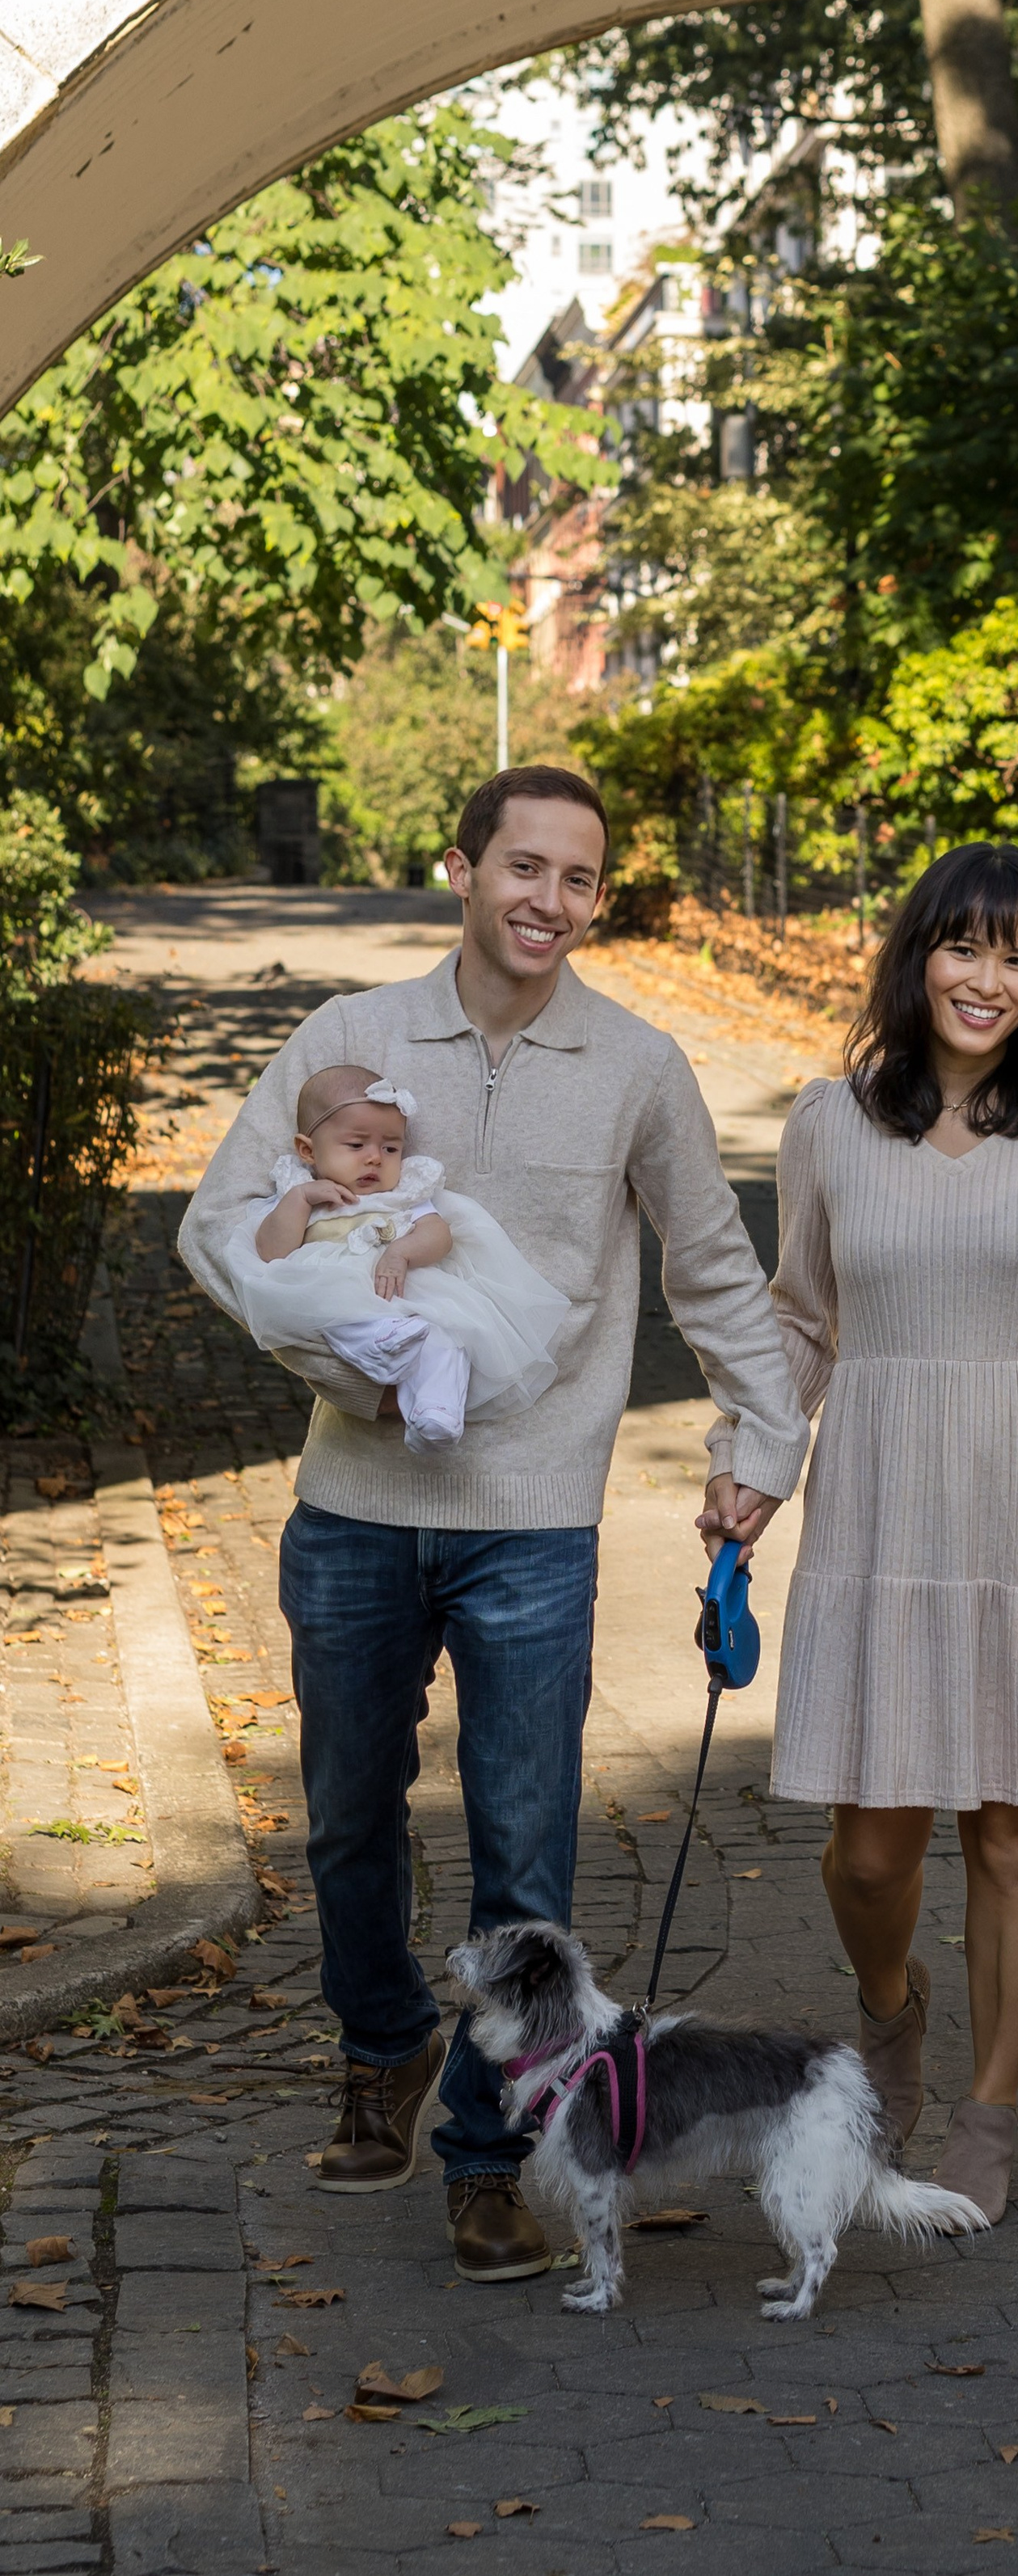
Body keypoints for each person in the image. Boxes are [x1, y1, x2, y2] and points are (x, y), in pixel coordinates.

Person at [181, 765, 808, 2281]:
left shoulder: (639, 1062)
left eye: (579, 879)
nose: (547, 900)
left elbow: (715, 1269)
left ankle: (484, 2149)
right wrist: (351, 1367)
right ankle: (386, 2037)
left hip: (534, 1516)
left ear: (600, 900)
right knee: (344, 1817)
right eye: (522, 867)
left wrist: (762, 1435)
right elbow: (218, 1224)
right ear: (460, 867)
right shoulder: (352, 1041)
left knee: (524, 1853)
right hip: (353, 1500)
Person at [703, 841, 1018, 2224]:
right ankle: (890, 2009)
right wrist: (752, 1468)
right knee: (870, 1848)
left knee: (1014, 1844)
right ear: (917, 957)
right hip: (884, 1500)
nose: (989, 978)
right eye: (965, 946)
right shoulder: (828, 1121)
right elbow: (798, 1320)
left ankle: (990, 2106)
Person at [230, 1064, 569, 1454]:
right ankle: (380, 1348)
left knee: (449, 1331)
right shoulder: (300, 1192)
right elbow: (272, 1254)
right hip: (333, 1285)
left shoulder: (405, 1192)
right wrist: (300, 1201)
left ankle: (436, 1410)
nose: (375, 1158)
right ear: (308, 1150)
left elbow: (438, 1234)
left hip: (408, 1290)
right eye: (356, 1146)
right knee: (338, 1308)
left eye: (390, 1147)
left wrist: (403, 1251)